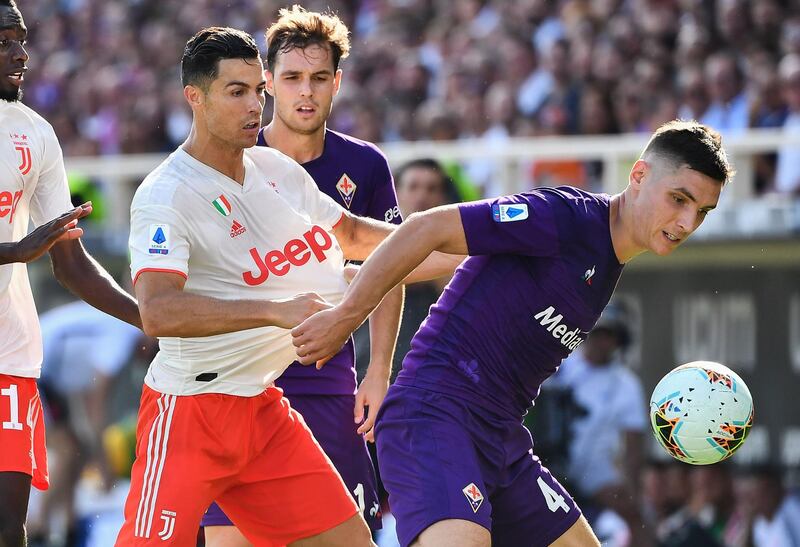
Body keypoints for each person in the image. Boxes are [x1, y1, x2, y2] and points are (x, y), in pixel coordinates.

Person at [292, 120, 733, 547]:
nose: (688, 222)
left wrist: (356, 278)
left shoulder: (608, 261)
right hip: (434, 417)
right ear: (638, 175)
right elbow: (426, 229)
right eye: (679, 198)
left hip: (502, 440)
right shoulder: (566, 217)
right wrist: (347, 316)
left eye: (703, 211)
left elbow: (455, 262)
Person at [115, 25, 458, 546]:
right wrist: (277, 309)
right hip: (190, 414)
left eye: (257, 90)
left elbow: (357, 236)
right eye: (236, 92)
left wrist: (477, 243)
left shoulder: (273, 167)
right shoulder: (165, 196)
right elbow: (158, 312)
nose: (255, 105)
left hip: (262, 408)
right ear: (195, 98)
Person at [201, 8, 404, 545]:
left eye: (318, 78)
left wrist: (379, 370)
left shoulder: (364, 165)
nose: (305, 92)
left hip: (329, 386)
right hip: (242, 387)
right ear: (268, 83)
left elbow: (394, 265)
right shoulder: (228, 160)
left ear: (337, 81)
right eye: (291, 78)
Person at [0, 1, 140, 544]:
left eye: (21, 38)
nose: (19, 52)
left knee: (9, 525)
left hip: (10, 352)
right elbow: (27, 248)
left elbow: (71, 262)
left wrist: (148, 320)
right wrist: (13, 251)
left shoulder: (34, 133)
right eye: (3, 40)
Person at [547, 303, 651, 546]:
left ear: (619, 341)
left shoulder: (626, 384)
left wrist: (633, 490)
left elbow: (633, 445)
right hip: (549, 459)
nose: (600, 341)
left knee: (635, 516)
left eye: (608, 335)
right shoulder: (561, 366)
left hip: (595, 472)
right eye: (596, 333)